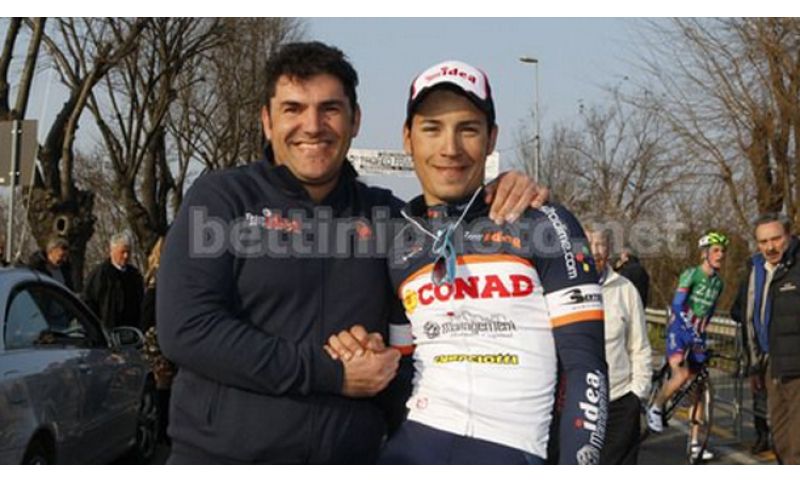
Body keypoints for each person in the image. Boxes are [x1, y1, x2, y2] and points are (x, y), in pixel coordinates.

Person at [157, 42, 547, 464]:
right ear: (267, 121)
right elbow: (187, 329)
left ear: (355, 119)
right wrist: (333, 373)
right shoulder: (222, 199)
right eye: (293, 109)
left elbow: (457, 260)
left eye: (330, 108)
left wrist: (505, 191)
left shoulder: (391, 218)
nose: (312, 126)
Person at [327, 60, 608, 464]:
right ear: (407, 138)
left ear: (492, 138)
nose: (450, 148)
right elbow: (401, 366)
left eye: (468, 129)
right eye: (432, 128)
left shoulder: (542, 223)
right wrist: (362, 353)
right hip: (412, 449)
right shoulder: (398, 240)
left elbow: (586, 368)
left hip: (513, 451)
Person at [646, 231, 728, 461]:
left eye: (722, 251)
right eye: (715, 250)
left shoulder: (718, 283)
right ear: (704, 254)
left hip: (697, 334)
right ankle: (656, 406)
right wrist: (689, 331)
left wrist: (702, 335)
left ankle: (694, 444)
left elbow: (709, 311)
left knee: (698, 390)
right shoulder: (691, 274)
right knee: (681, 374)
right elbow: (677, 304)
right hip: (680, 330)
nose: (720, 255)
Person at [734, 213, 800, 464]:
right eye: (763, 241)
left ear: (789, 236)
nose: (770, 247)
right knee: (781, 440)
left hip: (796, 366)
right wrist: (754, 365)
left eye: (776, 239)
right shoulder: (756, 270)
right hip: (771, 364)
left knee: (796, 445)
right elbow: (748, 318)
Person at [587, 228, 651, 464]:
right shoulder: (559, 289)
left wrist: (637, 394)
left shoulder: (626, 289)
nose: (595, 251)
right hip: (575, 405)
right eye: (589, 244)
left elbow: (640, 346)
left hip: (620, 402)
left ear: (609, 250)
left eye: (601, 244)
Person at [730, 260, 771, 455]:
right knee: (761, 392)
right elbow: (736, 310)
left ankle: (765, 436)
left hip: (768, 345)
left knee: (765, 393)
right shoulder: (752, 276)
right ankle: (763, 435)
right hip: (758, 346)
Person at [84, 233, 144, 329]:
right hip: (107, 329)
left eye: (128, 252)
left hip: (131, 328)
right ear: (112, 251)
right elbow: (89, 302)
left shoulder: (134, 275)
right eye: (122, 252)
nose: (126, 256)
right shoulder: (100, 275)